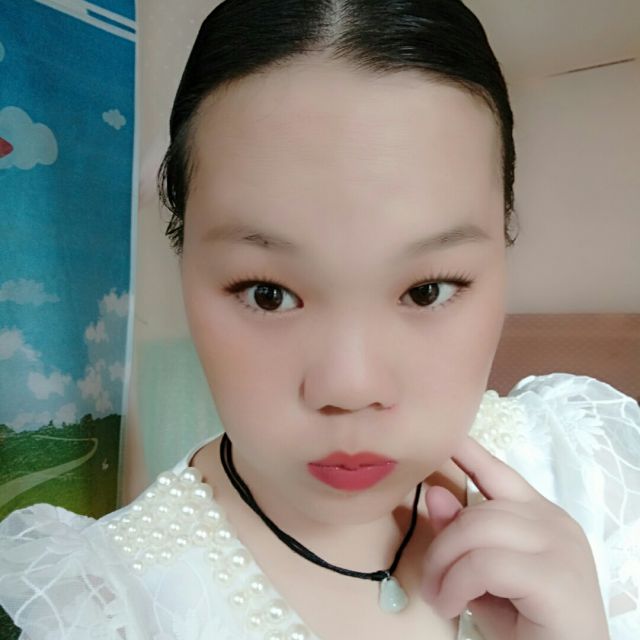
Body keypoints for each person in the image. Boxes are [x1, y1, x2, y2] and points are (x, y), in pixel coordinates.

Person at [1, 1, 639, 638]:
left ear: (504, 246)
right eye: (268, 294)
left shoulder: (591, 470)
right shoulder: (111, 608)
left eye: (426, 291)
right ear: (182, 261)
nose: (350, 388)